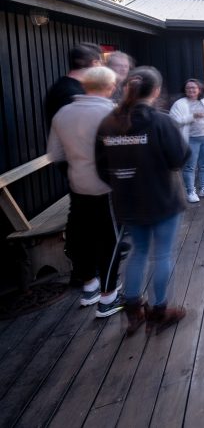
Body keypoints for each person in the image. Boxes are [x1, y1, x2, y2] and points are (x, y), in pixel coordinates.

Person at [95, 67, 189, 335]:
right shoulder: (161, 122)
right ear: (156, 91)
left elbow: (101, 167)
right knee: (161, 255)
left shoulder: (108, 123)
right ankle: (159, 312)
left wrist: (123, 182)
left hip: (127, 201)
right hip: (162, 199)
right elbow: (179, 158)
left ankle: (133, 310)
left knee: (138, 253)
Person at [47, 66, 123, 317]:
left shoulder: (62, 114)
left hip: (76, 185)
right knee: (109, 240)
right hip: (106, 187)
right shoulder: (112, 112)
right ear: (110, 87)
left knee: (81, 235)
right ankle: (109, 297)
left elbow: (56, 155)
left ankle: (90, 286)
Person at [170, 79, 204, 203]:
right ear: (184, 90)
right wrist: (193, 116)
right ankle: (190, 192)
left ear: (199, 89)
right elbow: (173, 121)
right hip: (190, 140)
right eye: (188, 88)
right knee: (189, 167)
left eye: (194, 87)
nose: (191, 90)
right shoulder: (179, 103)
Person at [44, 43, 103, 128]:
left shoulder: (64, 85)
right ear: (94, 63)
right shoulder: (72, 93)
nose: (102, 67)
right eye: (101, 63)